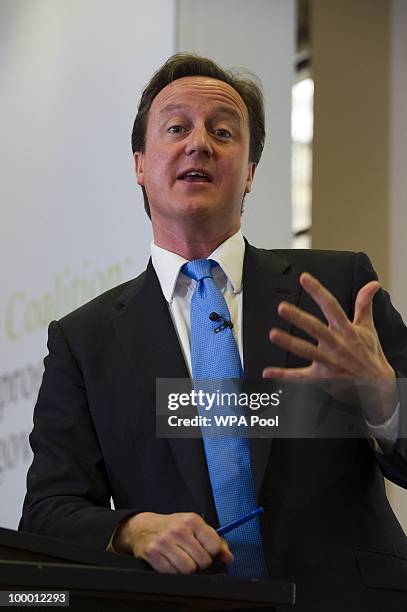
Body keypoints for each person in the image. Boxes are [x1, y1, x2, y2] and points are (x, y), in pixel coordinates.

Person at [20, 53, 407, 611]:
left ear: (249, 171)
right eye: (177, 128)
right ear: (139, 164)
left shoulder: (337, 289)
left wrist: (386, 400)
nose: (198, 143)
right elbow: (49, 509)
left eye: (223, 132)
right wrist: (132, 529)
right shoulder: (86, 340)